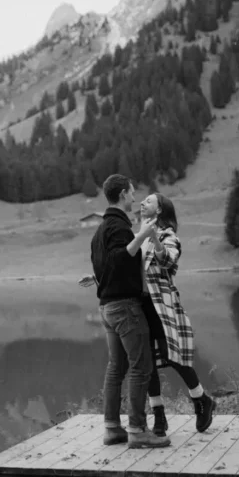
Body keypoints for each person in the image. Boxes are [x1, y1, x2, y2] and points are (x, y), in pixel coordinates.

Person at [81, 191, 215, 435]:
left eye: (149, 201)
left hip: (161, 306)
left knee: (172, 355)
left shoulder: (168, 236)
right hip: (139, 303)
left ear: (160, 209)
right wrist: (97, 277)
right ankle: (159, 414)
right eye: (141, 200)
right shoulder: (138, 236)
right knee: (147, 360)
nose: (142, 202)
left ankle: (200, 399)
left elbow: (169, 262)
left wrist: (155, 239)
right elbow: (127, 265)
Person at [89, 174, 171, 449]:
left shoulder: (100, 231)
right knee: (141, 367)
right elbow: (118, 259)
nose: (135, 198)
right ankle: (137, 430)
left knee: (117, 368)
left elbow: (105, 267)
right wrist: (143, 236)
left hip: (107, 308)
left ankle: (112, 428)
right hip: (125, 308)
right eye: (133, 192)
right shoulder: (119, 227)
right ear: (123, 193)